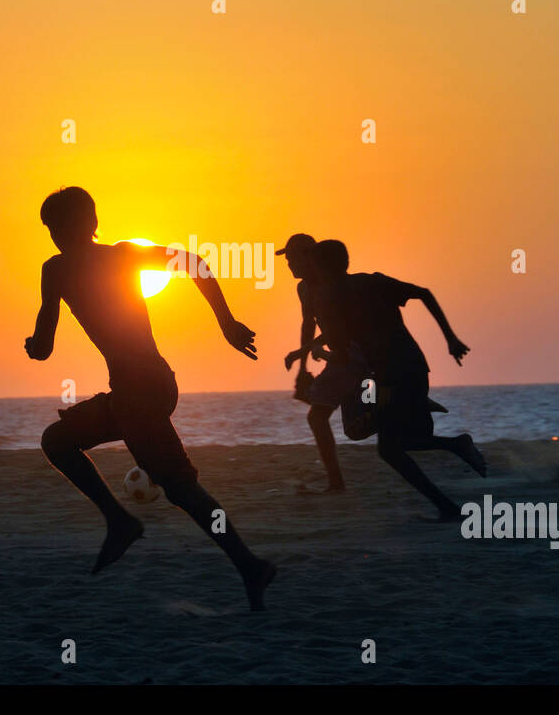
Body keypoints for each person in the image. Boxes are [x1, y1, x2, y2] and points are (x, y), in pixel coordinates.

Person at [24, 187, 277, 609]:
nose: (57, 235)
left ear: (89, 223)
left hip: (144, 391)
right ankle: (120, 521)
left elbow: (193, 262)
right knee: (57, 441)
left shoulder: (104, 260)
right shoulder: (73, 267)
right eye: (51, 228)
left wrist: (227, 323)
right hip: (133, 393)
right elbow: (45, 346)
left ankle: (251, 566)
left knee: (181, 488)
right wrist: (34, 344)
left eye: (62, 225)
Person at [308, 239, 487, 520]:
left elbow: (344, 356)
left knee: (390, 448)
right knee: (405, 440)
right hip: (406, 369)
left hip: (397, 373)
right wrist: (450, 339)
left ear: (321, 269)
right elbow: (424, 293)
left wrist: (323, 356)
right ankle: (452, 453)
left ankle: (450, 492)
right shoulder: (368, 284)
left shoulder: (345, 296)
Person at [278, 233, 348, 491]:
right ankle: (336, 481)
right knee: (318, 409)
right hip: (338, 354)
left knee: (318, 417)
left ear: (308, 257)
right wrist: (303, 366)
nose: (288, 264)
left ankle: (336, 482)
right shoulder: (304, 288)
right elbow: (308, 324)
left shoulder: (333, 284)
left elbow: (343, 327)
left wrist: (302, 353)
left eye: (291, 258)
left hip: (354, 352)